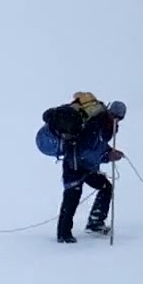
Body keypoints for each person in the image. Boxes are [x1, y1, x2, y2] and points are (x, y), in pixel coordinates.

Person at [42, 97, 126, 243]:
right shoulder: (97, 124)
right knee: (72, 198)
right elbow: (85, 150)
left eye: (118, 118)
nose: (116, 119)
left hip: (85, 166)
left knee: (105, 187)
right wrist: (107, 156)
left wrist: (109, 151)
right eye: (115, 116)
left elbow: (97, 146)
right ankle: (63, 235)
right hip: (74, 164)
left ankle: (95, 223)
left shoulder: (105, 126)